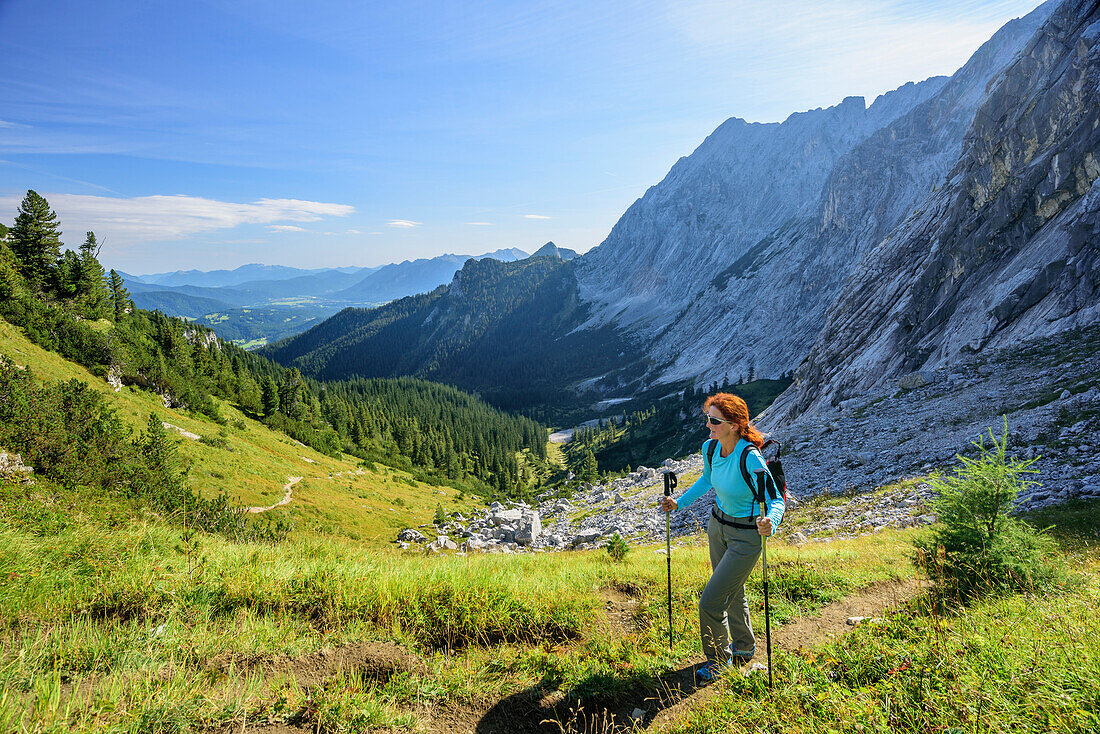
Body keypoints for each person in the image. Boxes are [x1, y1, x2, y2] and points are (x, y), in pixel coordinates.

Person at [659, 392, 784, 682]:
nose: (708, 425)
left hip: (746, 536)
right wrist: (680, 502)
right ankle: (744, 647)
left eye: (714, 421)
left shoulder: (750, 457)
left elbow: (775, 499)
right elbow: (706, 479)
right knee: (732, 591)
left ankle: (718, 664)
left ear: (734, 424)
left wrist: (771, 523)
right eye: (708, 419)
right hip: (718, 527)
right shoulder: (711, 449)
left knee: (711, 602)